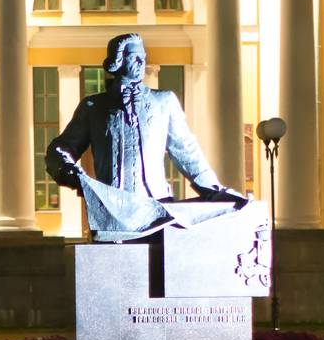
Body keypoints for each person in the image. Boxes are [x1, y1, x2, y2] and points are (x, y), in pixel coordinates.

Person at [45, 33, 248, 242]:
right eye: (135, 57)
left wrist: (215, 190)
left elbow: (187, 152)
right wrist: (71, 171)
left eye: (144, 56)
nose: (143, 62)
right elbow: (60, 149)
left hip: (157, 209)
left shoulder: (164, 101)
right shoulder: (93, 107)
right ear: (118, 62)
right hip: (114, 211)